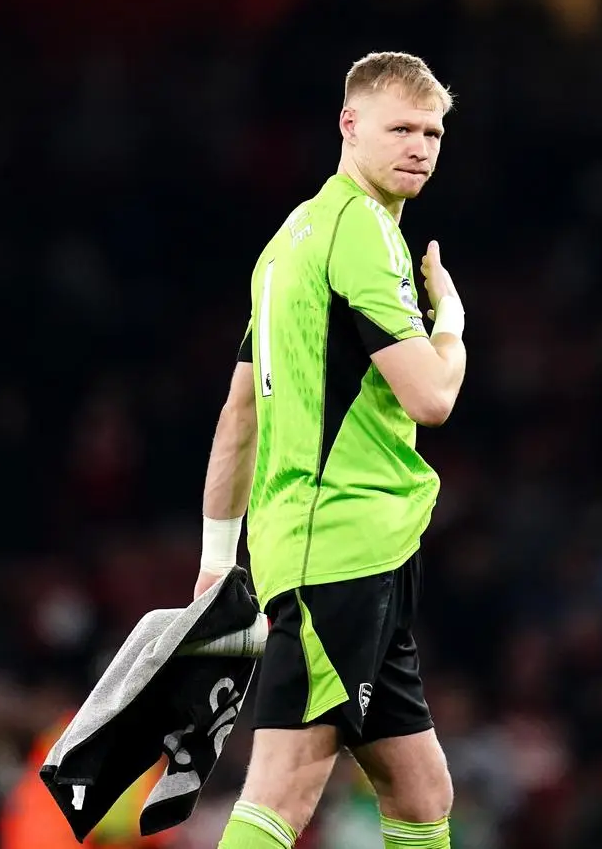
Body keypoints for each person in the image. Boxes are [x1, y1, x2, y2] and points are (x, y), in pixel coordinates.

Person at [192, 51, 467, 849]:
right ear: (349, 125)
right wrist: (449, 321)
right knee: (281, 787)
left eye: (433, 132)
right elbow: (432, 397)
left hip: (340, 550)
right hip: (338, 550)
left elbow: (239, 412)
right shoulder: (363, 236)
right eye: (401, 128)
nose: (420, 146)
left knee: (421, 792)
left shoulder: (287, 245)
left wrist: (217, 555)